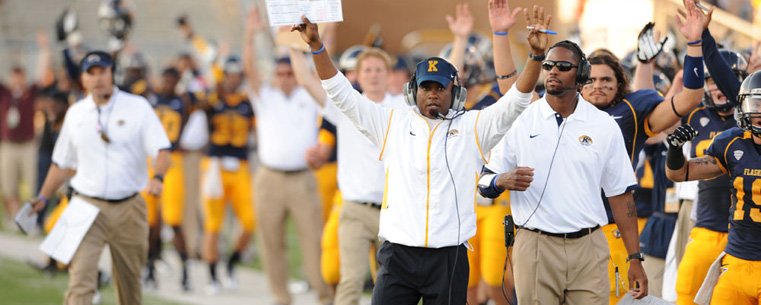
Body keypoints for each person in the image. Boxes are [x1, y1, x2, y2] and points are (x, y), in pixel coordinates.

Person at [291, 1, 544, 302]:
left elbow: (517, 99)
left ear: (456, 93)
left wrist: (536, 57)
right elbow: (341, 93)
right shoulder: (391, 124)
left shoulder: (474, 126)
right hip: (398, 256)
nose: (433, 94)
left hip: (448, 259)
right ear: (414, 91)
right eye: (427, 88)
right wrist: (318, 46)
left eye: (440, 88)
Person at [481, 35, 649, 303]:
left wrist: (635, 258)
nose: (553, 71)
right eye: (548, 66)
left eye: (563, 66)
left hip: (589, 246)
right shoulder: (521, 119)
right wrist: (502, 179)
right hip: (535, 244)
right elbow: (484, 182)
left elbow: (621, 196)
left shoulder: (604, 126)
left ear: (581, 74)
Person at [579, 7, 705, 301]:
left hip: (610, 225)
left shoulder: (627, 112)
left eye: (606, 80)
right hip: (561, 227)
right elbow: (516, 95)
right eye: (591, 79)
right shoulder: (563, 111)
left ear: (619, 84)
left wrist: (694, 45)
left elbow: (690, 97)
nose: (598, 85)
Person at [29, 50, 171, 305]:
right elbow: (62, 163)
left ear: (111, 73)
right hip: (86, 205)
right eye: (91, 73)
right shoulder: (76, 113)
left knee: (130, 289)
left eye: (102, 72)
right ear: (83, 79)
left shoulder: (137, 107)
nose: (97, 79)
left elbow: (161, 148)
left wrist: (158, 176)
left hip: (128, 206)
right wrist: (42, 196)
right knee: (80, 283)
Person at [291, 45, 409, 305]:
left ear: (389, 74)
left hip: (392, 211)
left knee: (391, 285)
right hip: (354, 208)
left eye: (379, 69)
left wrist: (458, 39)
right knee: (350, 280)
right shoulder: (347, 105)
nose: (373, 74)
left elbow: (444, 87)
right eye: (367, 70)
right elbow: (307, 81)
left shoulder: (402, 108)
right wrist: (297, 48)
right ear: (358, 74)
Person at [243, 7, 332, 305]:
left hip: (302, 177)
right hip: (269, 178)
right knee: (271, 243)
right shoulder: (264, 97)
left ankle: (323, 296)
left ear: (295, 74)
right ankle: (281, 298)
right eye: (279, 74)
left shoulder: (309, 96)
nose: (284, 78)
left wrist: (327, 25)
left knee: (314, 242)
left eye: (288, 73)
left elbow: (323, 66)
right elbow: (250, 70)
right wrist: (249, 34)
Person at [665, 70, 761, 305]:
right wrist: (675, 150)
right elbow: (679, 173)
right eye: (756, 103)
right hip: (736, 262)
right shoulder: (731, 143)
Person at [197, 55, 257, 294]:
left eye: (235, 74)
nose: (233, 79)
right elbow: (199, 107)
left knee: (250, 221)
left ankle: (231, 263)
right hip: (215, 166)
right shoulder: (214, 100)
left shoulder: (247, 102)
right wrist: (214, 90)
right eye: (228, 74)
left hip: (240, 167)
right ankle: (212, 275)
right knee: (213, 225)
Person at [142, 67, 192, 292]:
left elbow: (207, 100)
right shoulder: (150, 97)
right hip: (151, 161)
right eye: (166, 79)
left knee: (174, 220)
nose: (169, 83)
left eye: (173, 80)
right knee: (150, 222)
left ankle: (185, 272)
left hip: (172, 162)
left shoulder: (184, 101)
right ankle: (150, 270)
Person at [1, 31, 52, 229]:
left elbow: (42, 71)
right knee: (8, 185)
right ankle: (14, 218)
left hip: (27, 144)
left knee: (32, 185)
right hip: (8, 145)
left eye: (20, 77)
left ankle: (29, 220)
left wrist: (45, 49)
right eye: (14, 77)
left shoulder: (29, 93)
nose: (17, 81)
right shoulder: (5, 93)